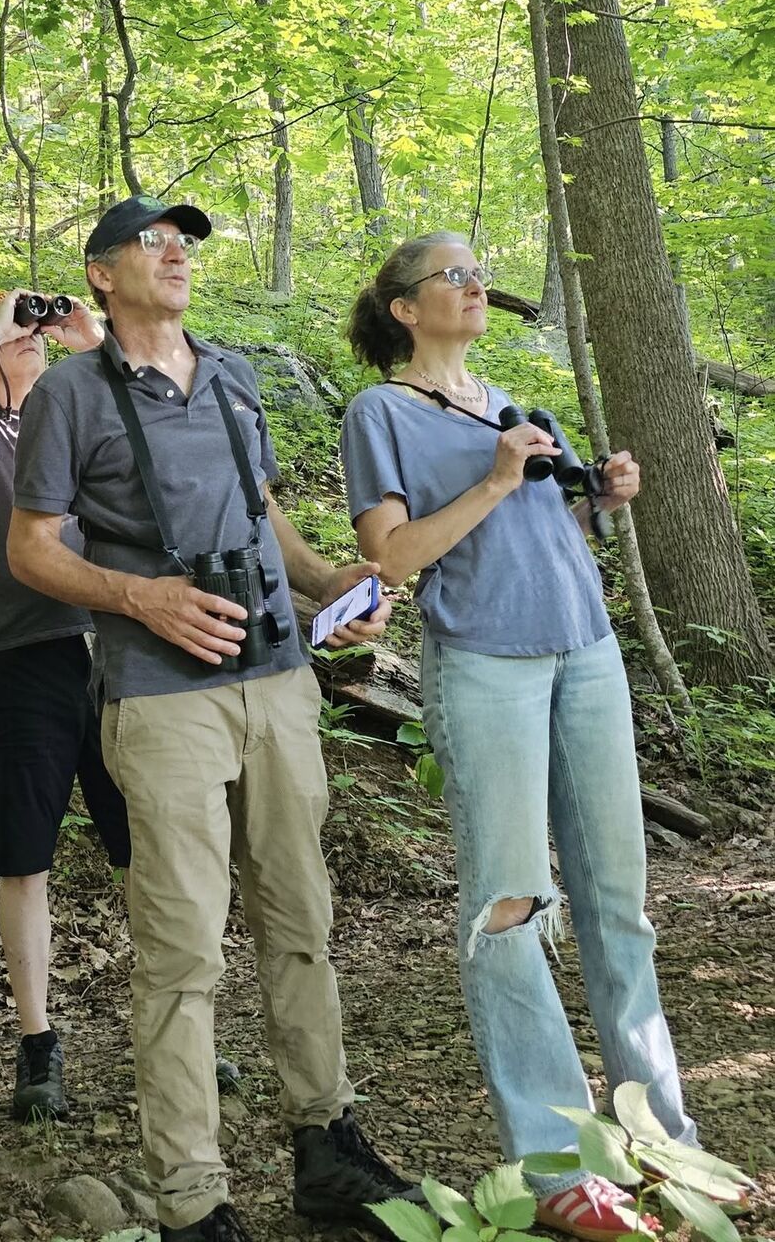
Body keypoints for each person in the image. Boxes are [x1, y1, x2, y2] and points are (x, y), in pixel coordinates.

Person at [6, 193, 421, 1242]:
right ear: (101, 274)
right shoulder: (68, 394)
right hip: (158, 696)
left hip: (278, 681)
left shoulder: (232, 372)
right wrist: (136, 595)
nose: (175, 254)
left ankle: (324, 1144)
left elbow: (259, 509)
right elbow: (29, 550)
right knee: (183, 951)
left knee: (301, 922)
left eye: (183, 242)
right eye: (152, 243)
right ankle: (193, 1198)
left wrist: (330, 579)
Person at [340, 232, 715, 1240]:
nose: (473, 289)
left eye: (475, 275)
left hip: (586, 656)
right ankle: (555, 1170)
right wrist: (497, 478)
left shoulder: (513, 403)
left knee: (617, 905)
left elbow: (549, 537)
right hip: (483, 669)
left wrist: (599, 497)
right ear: (404, 309)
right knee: (509, 912)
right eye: (451, 278)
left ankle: (659, 1144)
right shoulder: (380, 413)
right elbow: (390, 557)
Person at [0, 288, 133, 1120]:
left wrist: (92, 340)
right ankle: (37, 1041)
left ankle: (172, 1017)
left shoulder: (77, 424)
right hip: (21, 662)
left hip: (116, 653)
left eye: (37, 337)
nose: (32, 343)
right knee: (24, 856)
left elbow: (145, 420)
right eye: (19, 338)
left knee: (139, 848)